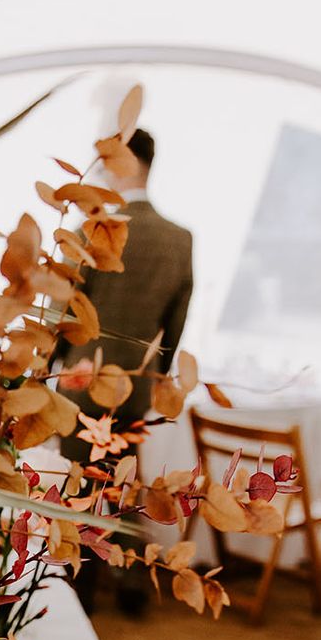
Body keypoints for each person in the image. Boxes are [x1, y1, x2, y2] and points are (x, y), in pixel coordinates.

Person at [57, 128, 194, 615]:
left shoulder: (94, 228)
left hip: (80, 382)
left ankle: (78, 590)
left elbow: (63, 311)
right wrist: (157, 376)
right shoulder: (180, 239)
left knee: (76, 484)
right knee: (117, 483)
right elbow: (175, 326)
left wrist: (45, 370)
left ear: (130, 163)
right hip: (134, 387)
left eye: (110, 158)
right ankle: (120, 581)